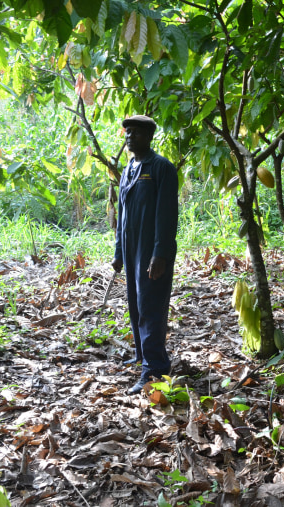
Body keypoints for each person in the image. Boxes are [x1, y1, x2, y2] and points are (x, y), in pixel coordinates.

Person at [112, 115, 179, 395]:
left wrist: (160, 253)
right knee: (136, 304)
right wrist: (118, 251)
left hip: (151, 250)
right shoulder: (129, 168)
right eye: (128, 132)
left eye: (136, 133)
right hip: (131, 248)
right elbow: (123, 213)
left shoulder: (161, 167)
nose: (130, 137)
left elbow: (167, 214)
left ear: (149, 137)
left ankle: (154, 368)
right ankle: (143, 355)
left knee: (151, 306)